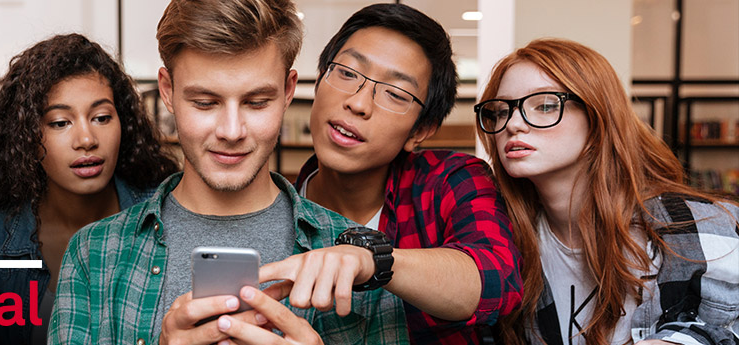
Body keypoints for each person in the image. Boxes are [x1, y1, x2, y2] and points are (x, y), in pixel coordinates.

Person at [54, 0, 408, 344]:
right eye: (205, 103)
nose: (232, 131)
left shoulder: (355, 256)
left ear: (287, 92)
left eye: (257, 102)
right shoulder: (94, 253)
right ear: (168, 91)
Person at [475, 38, 739, 344]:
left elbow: (718, 331)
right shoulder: (508, 236)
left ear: (598, 120)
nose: (513, 124)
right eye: (499, 111)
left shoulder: (692, 223)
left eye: (545, 105)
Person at [283, 4, 520, 344]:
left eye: (395, 94)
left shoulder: (450, 180)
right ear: (319, 80)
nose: (359, 103)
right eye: (347, 73)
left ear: (420, 131)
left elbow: (498, 279)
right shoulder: (276, 206)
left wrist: (373, 259)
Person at [0, 33, 177, 345]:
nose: (86, 139)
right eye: (60, 123)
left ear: (123, 124)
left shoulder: (165, 216)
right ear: (26, 138)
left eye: (102, 117)